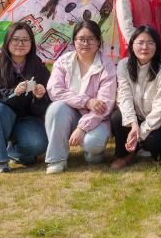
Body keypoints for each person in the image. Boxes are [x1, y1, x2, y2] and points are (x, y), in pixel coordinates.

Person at [44, 19, 117, 173]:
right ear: (74, 41)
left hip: (97, 118)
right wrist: (87, 101)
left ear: (98, 41)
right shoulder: (63, 61)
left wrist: (82, 128)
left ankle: (93, 152)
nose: (85, 43)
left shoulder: (107, 65)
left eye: (91, 39)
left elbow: (105, 105)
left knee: (93, 145)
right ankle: (56, 159)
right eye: (81, 39)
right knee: (56, 108)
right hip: (68, 114)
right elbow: (54, 90)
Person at [0, 21, 51, 173]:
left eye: (25, 40)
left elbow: (44, 107)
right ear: (7, 41)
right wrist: (12, 93)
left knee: (37, 144)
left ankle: (12, 151)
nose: (20, 44)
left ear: (31, 43)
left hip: (26, 119)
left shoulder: (38, 66)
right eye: (15, 39)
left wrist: (39, 97)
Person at [109, 27, 161, 169]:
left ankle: (157, 149)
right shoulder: (123, 65)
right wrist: (133, 125)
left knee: (153, 140)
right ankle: (123, 154)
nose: (145, 47)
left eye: (150, 43)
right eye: (140, 42)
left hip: (158, 120)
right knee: (117, 117)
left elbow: (160, 106)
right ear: (132, 45)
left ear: (157, 46)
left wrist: (140, 132)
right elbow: (124, 96)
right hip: (136, 117)